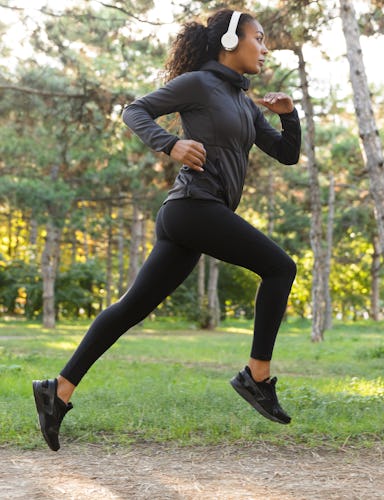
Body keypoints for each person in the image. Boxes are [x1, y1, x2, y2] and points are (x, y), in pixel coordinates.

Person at [33, 8, 301, 452]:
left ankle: (57, 390)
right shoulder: (198, 83)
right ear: (230, 42)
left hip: (192, 217)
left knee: (130, 308)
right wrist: (171, 142)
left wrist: (289, 116)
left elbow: (286, 154)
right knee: (280, 268)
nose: (266, 48)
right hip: (193, 207)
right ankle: (256, 376)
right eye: (259, 38)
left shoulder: (244, 104)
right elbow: (134, 111)